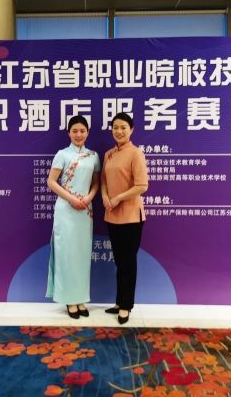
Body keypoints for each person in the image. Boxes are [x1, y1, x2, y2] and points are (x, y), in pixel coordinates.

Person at [46, 116, 101, 318]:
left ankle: (80, 298)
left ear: (87, 133)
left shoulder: (93, 156)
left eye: (82, 131)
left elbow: (96, 183)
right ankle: (69, 300)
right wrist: (71, 199)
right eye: (75, 131)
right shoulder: (62, 154)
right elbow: (52, 182)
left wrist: (88, 198)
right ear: (69, 133)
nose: (79, 135)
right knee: (66, 254)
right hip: (66, 210)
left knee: (82, 254)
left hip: (85, 209)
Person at [101, 112, 148, 324]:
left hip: (131, 216)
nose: (118, 131)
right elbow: (103, 181)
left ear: (131, 130)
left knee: (128, 262)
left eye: (123, 127)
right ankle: (119, 302)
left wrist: (118, 197)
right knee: (119, 261)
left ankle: (126, 306)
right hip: (111, 213)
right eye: (115, 127)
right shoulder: (109, 154)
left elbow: (142, 185)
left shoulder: (136, 153)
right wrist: (105, 197)